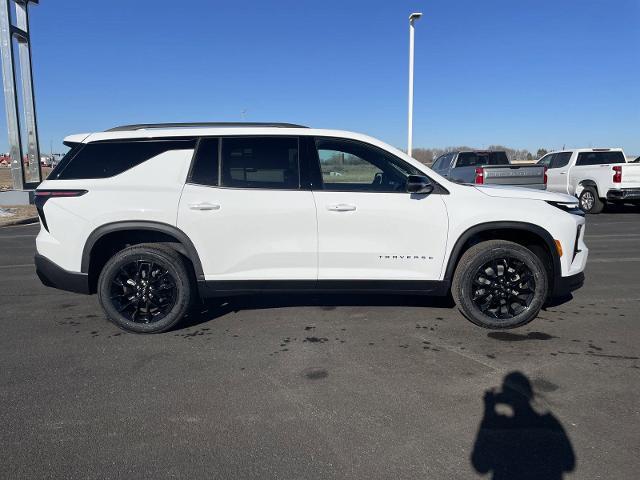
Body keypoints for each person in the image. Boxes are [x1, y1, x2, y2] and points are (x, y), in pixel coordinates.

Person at [471, 371, 575, 479]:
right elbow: (569, 464)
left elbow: (480, 465)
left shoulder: (500, 428)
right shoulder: (550, 423)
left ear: (505, 397)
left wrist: (489, 410)